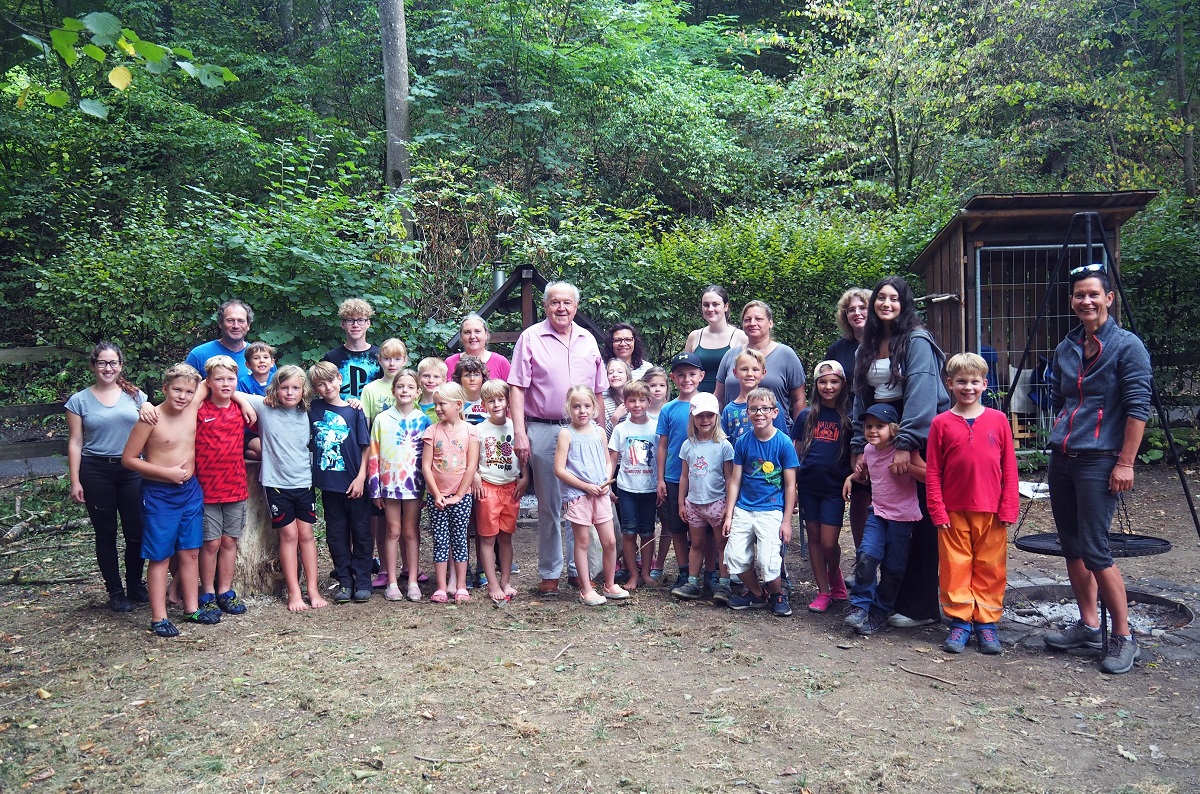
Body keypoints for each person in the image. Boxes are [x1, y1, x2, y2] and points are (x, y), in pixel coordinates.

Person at [1042, 265, 1152, 675]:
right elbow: (1059, 398)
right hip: (1063, 458)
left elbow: (1138, 408)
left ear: (1109, 298)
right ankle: (1089, 624)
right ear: (1072, 301)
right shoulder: (1067, 346)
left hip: (1100, 460)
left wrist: (1125, 462)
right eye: (1078, 295)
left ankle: (1123, 635)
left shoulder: (1127, 346)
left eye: (1093, 294)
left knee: (1096, 549)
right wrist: (1063, 431)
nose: (1085, 301)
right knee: (1071, 546)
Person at [851, 276, 949, 629]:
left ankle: (918, 606)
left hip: (914, 434)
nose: (886, 303)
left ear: (905, 303)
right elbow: (860, 394)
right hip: (876, 432)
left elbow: (923, 393)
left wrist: (907, 444)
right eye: (881, 298)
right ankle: (878, 599)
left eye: (894, 298)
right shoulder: (869, 342)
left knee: (919, 521)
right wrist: (858, 444)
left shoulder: (917, 341)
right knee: (885, 516)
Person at [508, 282, 607, 596]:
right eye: (554, 303)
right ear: (546, 305)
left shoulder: (587, 339)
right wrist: (520, 432)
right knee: (550, 504)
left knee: (581, 500)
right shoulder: (531, 338)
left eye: (567, 302)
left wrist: (601, 434)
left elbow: (599, 392)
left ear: (576, 306)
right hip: (544, 428)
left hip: (583, 431)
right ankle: (550, 571)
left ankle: (581, 571)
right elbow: (517, 388)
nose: (561, 308)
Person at [926, 353, 1019, 655]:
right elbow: (933, 470)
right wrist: (937, 509)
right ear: (950, 384)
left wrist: (1009, 506)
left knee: (990, 567)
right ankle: (960, 622)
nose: (968, 387)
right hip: (953, 510)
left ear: (985, 384)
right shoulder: (941, 423)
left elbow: (1009, 467)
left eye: (974, 382)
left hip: (991, 509)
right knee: (955, 567)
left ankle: (987, 624)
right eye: (962, 382)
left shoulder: (998, 420)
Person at [121, 364, 216, 637]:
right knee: (160, 555)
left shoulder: (193, 405)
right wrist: (166, 473)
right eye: (177, 389)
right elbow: (128, 460)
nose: (183, 395)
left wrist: (243, 402)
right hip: (159, 495)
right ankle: (158, 617)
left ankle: (191, 608)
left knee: (190, 551)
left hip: (190, 492)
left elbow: (217, 379)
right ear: (165, 389)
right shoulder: (150, 418)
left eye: (188, 391)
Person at [66, 342, 149, 612]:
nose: (108, 368)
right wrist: (75, 479)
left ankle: (135, 584)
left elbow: (152, 433)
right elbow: (76, 442)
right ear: (93, 366)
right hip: (96, 470)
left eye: (113, 363)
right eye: (102, 363)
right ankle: (115, 591)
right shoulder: (79, 400)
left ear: (121, 366)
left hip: (132, 470)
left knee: (136, 531)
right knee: (106, 533)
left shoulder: (137, 397)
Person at [243, 366, 327, 612]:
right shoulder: (264, 407)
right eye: (284, 388)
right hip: (277, 485)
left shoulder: (309, 412)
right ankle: (293, 592)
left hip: (304, 482)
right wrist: (248, 406)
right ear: (275, 388)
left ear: (303, 390)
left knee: (307, 536)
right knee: (289, 536)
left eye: (295, 388)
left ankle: (312, 589)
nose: (290, 393)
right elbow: (230, 392)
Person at [843, 404, 927, 636]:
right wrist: (852, 477)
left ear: (892, 428)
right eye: (869, 426)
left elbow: (929, 475)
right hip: (877, 513)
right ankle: (859, 606)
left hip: (903, 518)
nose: (872, 431)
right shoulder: (869, 450)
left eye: (879, 426)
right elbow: (865, 473)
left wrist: (908, 467)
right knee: (866, 556)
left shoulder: (905, 451)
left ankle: (880, 611)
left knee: (893, 568)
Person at [722, 388, 799, 616]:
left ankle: (777, 594)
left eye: (765, 408)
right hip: (744, 508)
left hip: (772, 510)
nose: (759, 413)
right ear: (748, 413)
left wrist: (786, 521)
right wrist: (729, 514)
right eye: (754, 409)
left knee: (768, 561)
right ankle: (757, 593)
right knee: (734, 557)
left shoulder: (784, 443)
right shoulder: (744, 443)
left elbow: (790, 485)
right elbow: (735, 480)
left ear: (775, 412)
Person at [554, 385, 627, 606]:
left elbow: (607, 460)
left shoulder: (598, 431)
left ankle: (610, 584)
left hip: (600, 494)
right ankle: (585, 589)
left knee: (610, 541)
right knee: (583, 542)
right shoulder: (566, 433)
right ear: (569, 408)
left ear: (595, 408)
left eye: (586, 406)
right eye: (576, 407)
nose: (582, 411)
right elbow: (559, 469)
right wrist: (585, 486)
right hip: (578, 496)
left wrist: (605, 481)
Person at [308, 362, 372, 604]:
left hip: (355, 482)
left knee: (362, 532)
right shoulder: (311, 408)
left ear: (339, 379)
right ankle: (345, 580)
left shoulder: (354, 410)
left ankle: (363, 580)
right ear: (315, 388)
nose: (327, 387)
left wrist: (361, 477)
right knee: (336, 534)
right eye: (320, 384)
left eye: (331, 381)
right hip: (329, 485)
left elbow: (364, 447)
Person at [193, 356, 252, 619]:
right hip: (206, 488)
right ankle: (206, 592)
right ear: (208, 382)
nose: (225, 384)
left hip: (235, 485)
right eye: (219, 379)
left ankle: (225, 591)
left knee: (229, 541)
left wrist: (239, 397)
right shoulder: (198, 409)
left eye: (230, 379)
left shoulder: (242, 408)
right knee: (210, 543)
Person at [793, 360, 853, 613]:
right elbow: (794, 453)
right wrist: (793, 487)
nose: (828, 386)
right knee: (815, 538)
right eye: (823, 381)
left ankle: (835, 575)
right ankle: (824, 590)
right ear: (816, 385)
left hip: (834, 488)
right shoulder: (807, 415)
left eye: (834, 381)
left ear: (842, 384)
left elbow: (855, 454)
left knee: (829, 542)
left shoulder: (849, 418)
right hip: (808, 486)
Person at [368, 370, 430, 602]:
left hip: (413, 485)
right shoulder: (382, 419)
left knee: (410, 531)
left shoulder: (424, 420)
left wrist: (426, 490)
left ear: (417, 391)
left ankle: (412, 581)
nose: (405, 391)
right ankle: (392, 582)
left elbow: (428, 458)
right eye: (400, 386)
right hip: (389, 485)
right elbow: (373, 455)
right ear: (393, 391)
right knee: (392, 530)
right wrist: (375, 489)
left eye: (410, 387)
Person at [672, 392, 734, 601]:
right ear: (693, 418)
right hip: (694, 503)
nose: (705, 420)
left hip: (717, 502)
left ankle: (724, 583)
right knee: (696, 543)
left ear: (716, 416)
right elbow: (684, 476)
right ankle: (692, 582)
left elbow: (729, 478)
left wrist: (729, 508)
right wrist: (682, 502)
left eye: (710, 415)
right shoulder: (688, 445)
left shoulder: (724, 445)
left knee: (721, 544)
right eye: (700, 416)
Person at [422, 383, 480, 604]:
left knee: (459, 540)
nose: (437, 408)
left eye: (442, 404)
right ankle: (440, 587)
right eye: (435, 404)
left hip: (461, 497)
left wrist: (459, 495)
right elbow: (426, 467)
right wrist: (436, 495)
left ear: (458, 405)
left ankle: (462, 586)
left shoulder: (470, 431)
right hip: (438, 498)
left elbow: (471, 466)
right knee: (440, 540)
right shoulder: (432, 431)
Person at [473, 379, 529, 605]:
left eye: (500, 399)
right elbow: (473, 461)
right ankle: (492, 584)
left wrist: (526, 477)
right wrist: (475, 476)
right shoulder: (478, 430)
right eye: (490, 401)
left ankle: (505, 581)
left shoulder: (516, 426)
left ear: (508, 401)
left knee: (506, 538)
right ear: (483, 404)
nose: (496, 404)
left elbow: (523, 454)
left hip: (511, 488)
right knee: (487, 539)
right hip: (488, 488)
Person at [826, 288, 872, 549]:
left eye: (862, 308)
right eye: (851, 309)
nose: (856, 313)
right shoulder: (838, 350)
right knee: (859, 490)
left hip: (880, 428)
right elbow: (828, 387)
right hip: (846, 428)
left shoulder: (886, 344)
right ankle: (862, 555)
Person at [714, 300, 806, 430]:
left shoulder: (786, 355)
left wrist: (799, 436)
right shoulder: (731, 355)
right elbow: (718, 397)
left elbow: (799, 400)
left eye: (758, 319)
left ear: (770, 323)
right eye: (747, 319)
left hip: (775, 436)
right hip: (734, 434)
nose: (752, 323)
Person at [654, 352, 705, 588]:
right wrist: (661, 478)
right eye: (681, 374)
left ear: (701, 376)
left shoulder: (707, 406)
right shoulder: (668, 409)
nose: (687, 379)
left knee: (703, 525)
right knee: (676, 526)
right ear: (673, 378)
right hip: (675, 477)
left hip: (703, 478)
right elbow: (662, 444)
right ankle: (684, 571)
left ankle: (709, 571)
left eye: (692, 374)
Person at [607, 380, 658, 590]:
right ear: (625, 403)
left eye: (641, 400)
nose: (637, 405)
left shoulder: (656, 426)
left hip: (650, 488)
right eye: (632, 400)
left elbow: (663, 455)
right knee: (628, 532)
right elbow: (612, 459)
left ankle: (646, 572)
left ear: (649, 401)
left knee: (647, 531)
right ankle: (633, 575)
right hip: (626, 488)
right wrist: (608, 485)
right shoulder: (621, 429)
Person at [685, 286, 748, 394]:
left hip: (728, 401)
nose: (710, 309)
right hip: (697, 402)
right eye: (706, 305)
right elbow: (683, 371)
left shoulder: (741, 337)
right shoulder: (694, 336)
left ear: (726, 306)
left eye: (715, 304)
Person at [322, 298, 381, 400]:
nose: (355, 325)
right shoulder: (331, 357)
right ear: (343, 324)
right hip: (340, 414)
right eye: (350, 320)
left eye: (361, 320)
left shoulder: (380, 356)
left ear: (368, 323)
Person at [720, 348, 778, 444]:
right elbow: (723, 444)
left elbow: (782, 438)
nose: (749, 374)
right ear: (735, 373)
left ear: (763, 373)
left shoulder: (771, 405)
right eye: (744, 369)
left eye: (755, 369)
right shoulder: (729, 410)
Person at [186, 299, 256, 379]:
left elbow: (271, 390)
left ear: (248, 325)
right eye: (230, 320)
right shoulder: (199, 355)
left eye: (241, 321)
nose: (236, 326)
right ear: (220, 323)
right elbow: (185, 388)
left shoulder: (261, 357)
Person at [445, 313, 511, 382]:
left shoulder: (501, 362)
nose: (472, 336)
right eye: (467, 332)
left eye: (477, 331)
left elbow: (513, 391)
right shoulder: (449, 362)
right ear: (461, 337)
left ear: (486, 334)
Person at [360, 338, 409, 426]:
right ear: (379, 360)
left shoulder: (412, 387)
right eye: (387, 359)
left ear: (405, 360)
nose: (392, 364)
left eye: (397, 359)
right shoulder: (369, 389)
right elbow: (365, 426)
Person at [602, 358, 632, 436]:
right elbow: (604, 438)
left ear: (627, 375)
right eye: (610, 373)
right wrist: (615, 418)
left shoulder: (638, 399)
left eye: (620, 372)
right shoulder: (605, 405)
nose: (615, 375)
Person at [417, 357, 448, 425]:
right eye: (426, 376)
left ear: (444, 380)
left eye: (436, 377)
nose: (431, 380)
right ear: (418, 378)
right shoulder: (411, 404)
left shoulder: (446, 407)